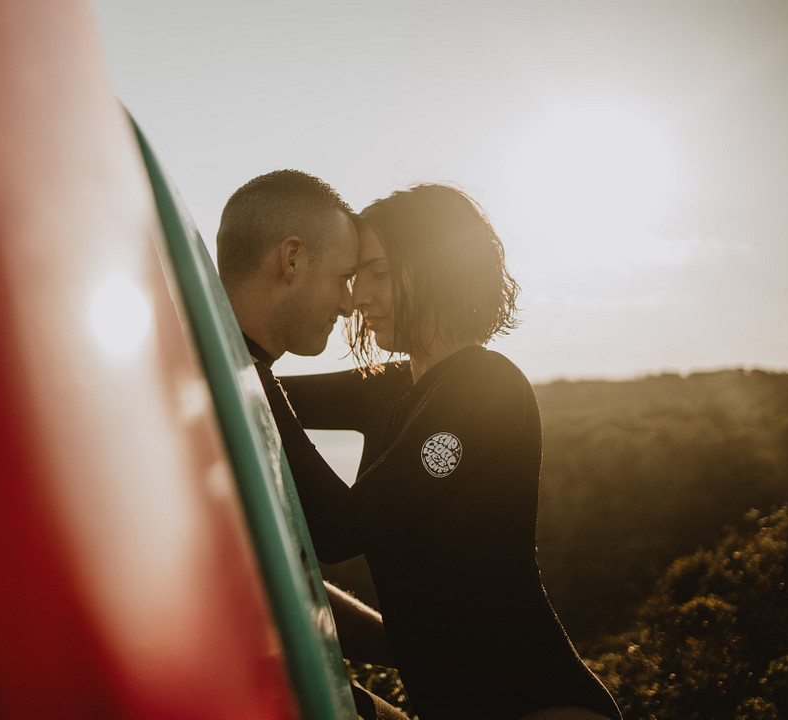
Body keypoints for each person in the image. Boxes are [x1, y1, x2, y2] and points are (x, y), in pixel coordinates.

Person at [264, 184, 623, 720]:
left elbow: (340, 529)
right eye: (356, 277)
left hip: (543, 706)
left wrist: (250, 370)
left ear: (438, 270)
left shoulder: (486, 387)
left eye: (379, 274)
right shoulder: (386, 386)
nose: (359, 297)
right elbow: (267, 396)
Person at [217, 169, 408, 720]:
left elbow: (280, 580)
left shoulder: (227, 369)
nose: (351, 305)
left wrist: (399, 648)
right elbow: (338, 529)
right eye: (345, 277)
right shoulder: (239, 379)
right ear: (292, 259)